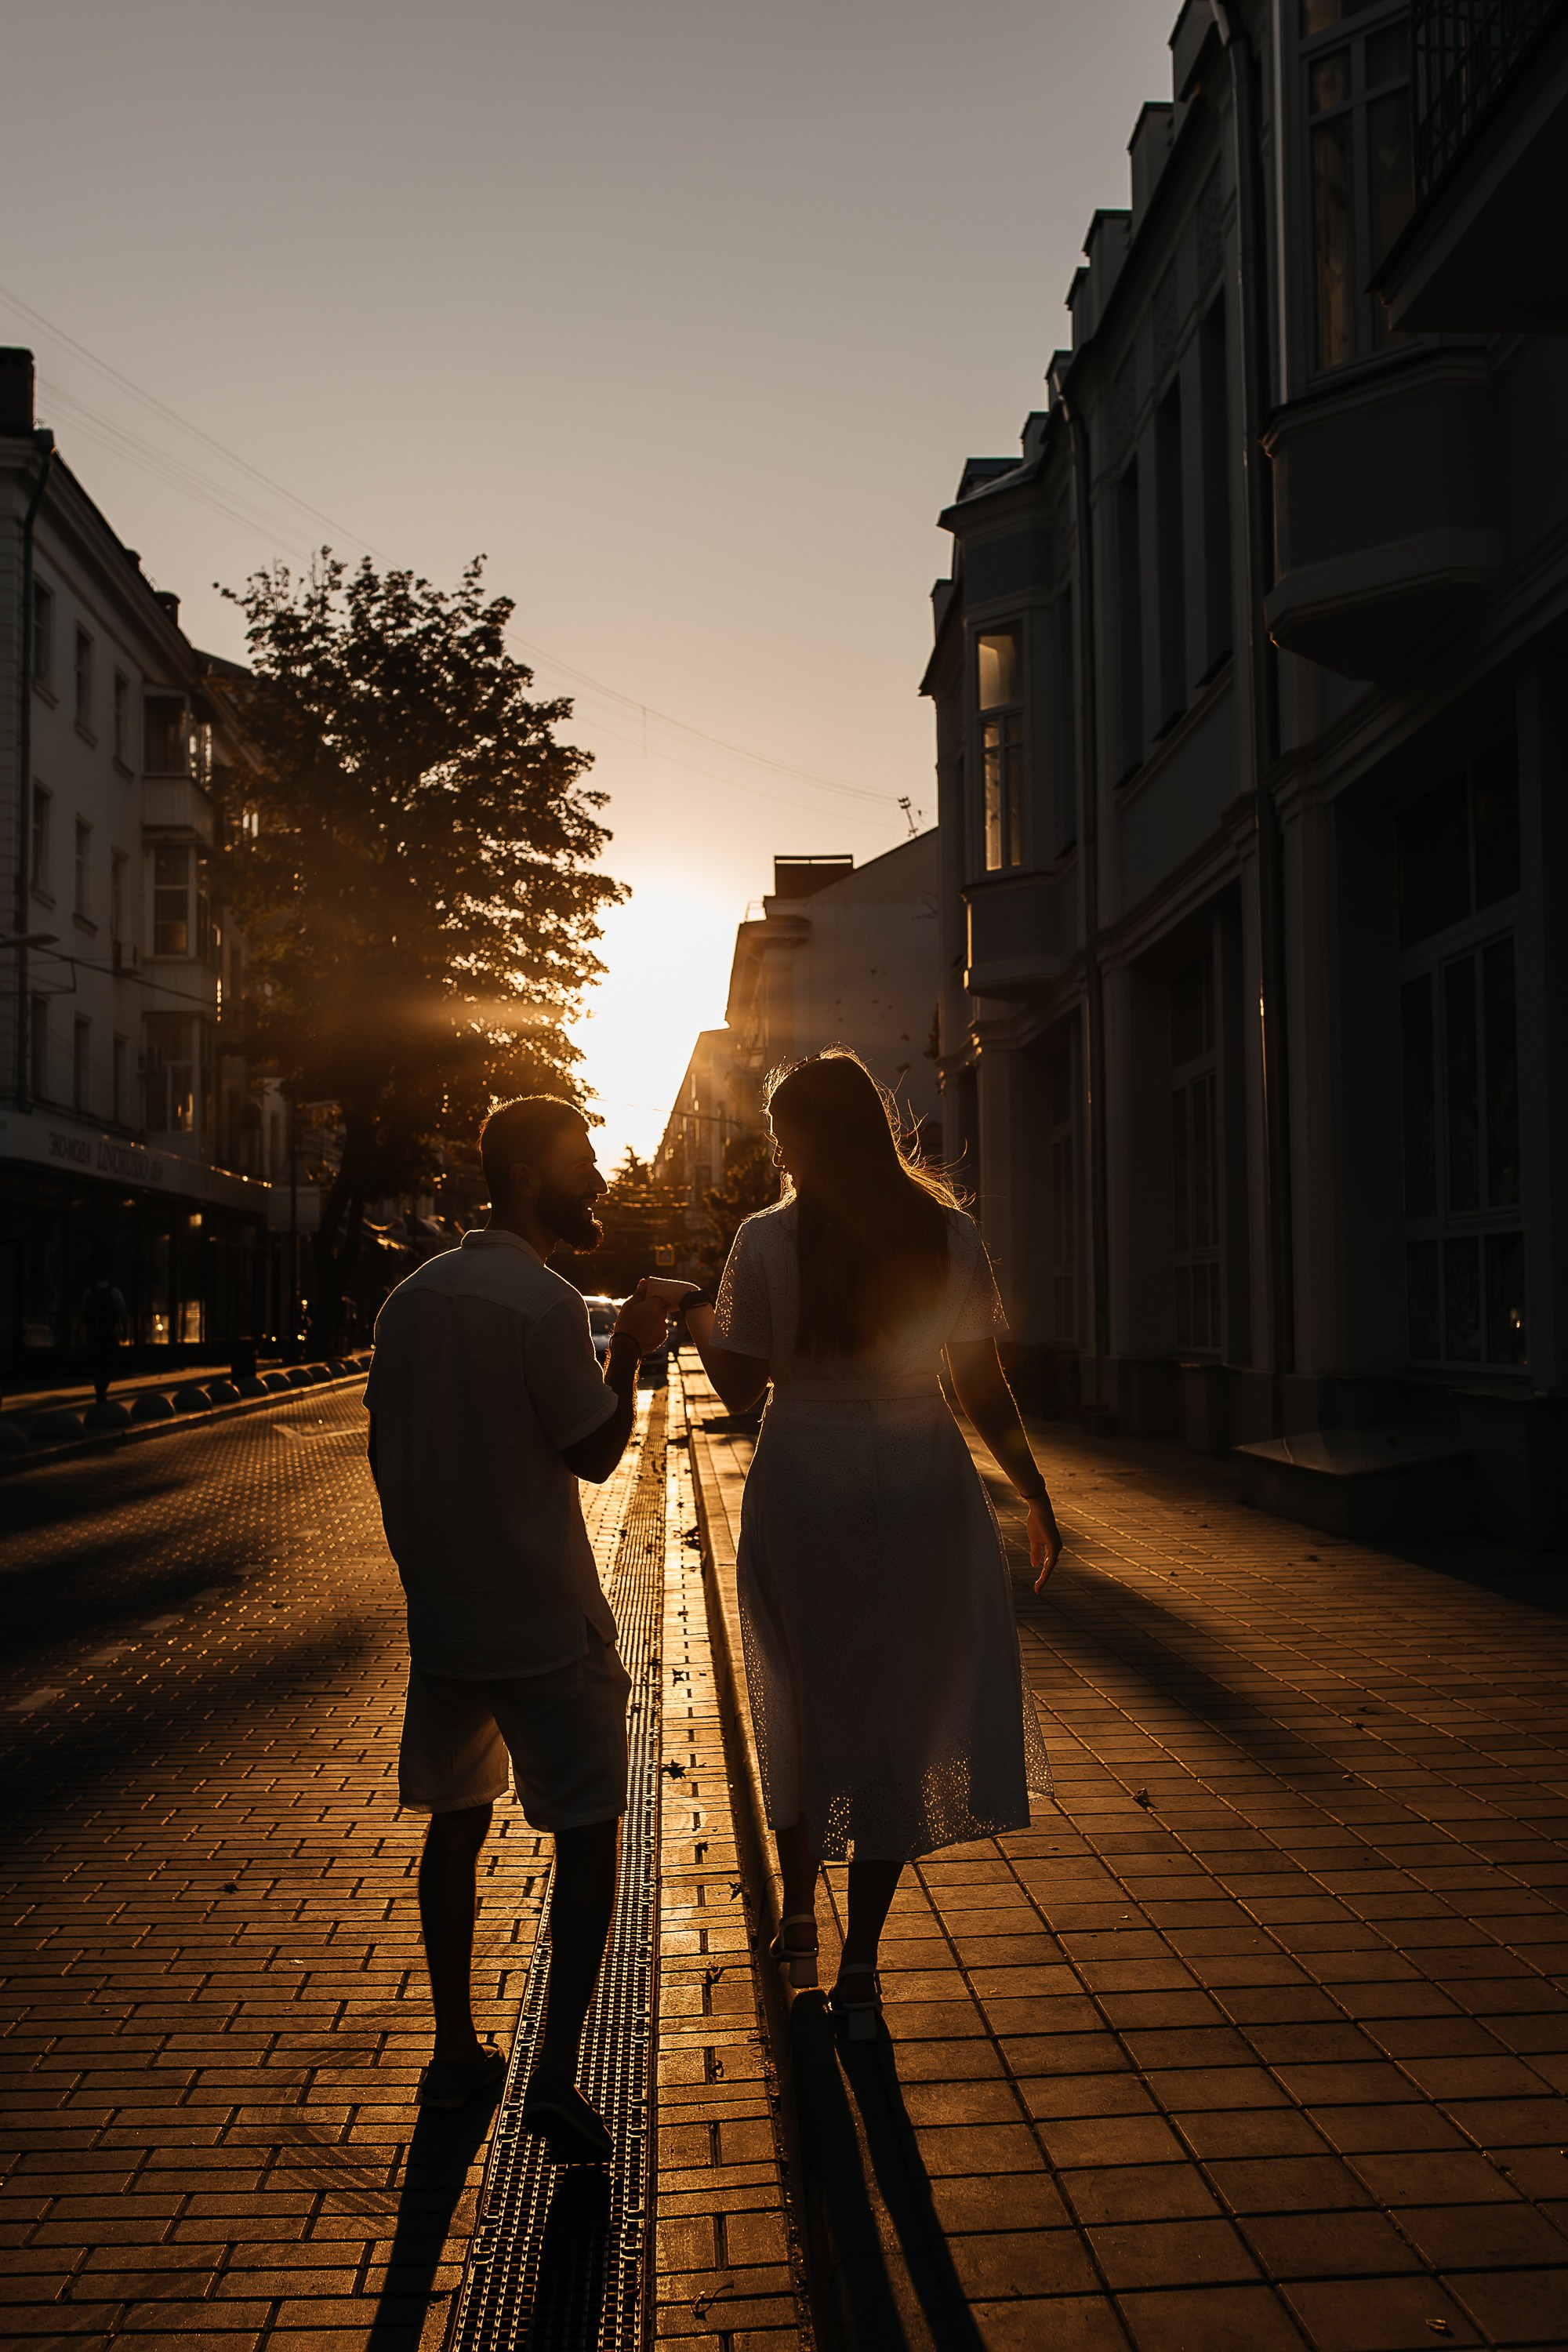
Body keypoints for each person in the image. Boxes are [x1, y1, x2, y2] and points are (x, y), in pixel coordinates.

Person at [681, 1050, 1059, 2037]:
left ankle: (799, 1911)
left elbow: (736, 1390)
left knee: (805, 1691)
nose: (776, 1150)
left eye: (783, 1133)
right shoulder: (947, 1234)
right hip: (920, 1481)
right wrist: (1032, 1492)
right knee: (900, 1710)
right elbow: (979, 1382)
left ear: (812, 1138)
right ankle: (859, 1966)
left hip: (803, 1477)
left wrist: (690, 1318)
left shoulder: (762, 1243)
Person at [364, 1096, 670, 2151]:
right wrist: (628, 1345)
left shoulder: (408, 1302)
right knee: (588, 1838)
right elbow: (592, 1451)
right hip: (543, 1623)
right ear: (529, 1178)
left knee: (456, 1819)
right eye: (581, 1163)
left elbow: (386, 1456)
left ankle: (455, 2051)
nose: (599, 1181)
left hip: (447, 1624)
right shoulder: (539, 1303)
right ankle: (554, 2078)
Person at [79, 1272, 129, 1405]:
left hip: (94, 1335)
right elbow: (123, 1313)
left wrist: (79, 1331)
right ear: (108, 1277)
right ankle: (103, 1389)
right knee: (109, 1364)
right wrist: (125, 1331)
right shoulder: (115, 1292)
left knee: (97, 1364)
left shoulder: (88, 1293)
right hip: (110, 1334)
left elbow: (83, 1315)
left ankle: (99, 1390)